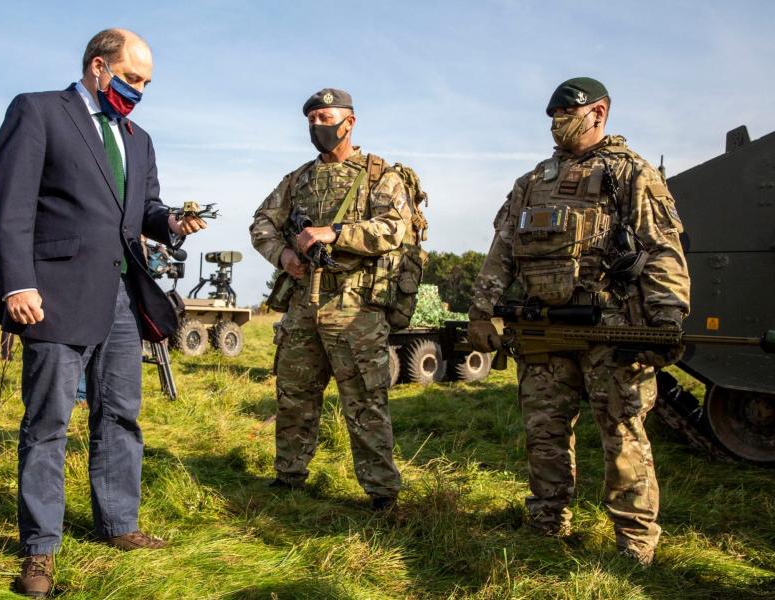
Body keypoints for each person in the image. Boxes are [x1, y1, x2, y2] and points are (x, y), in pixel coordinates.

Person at [0, 28, 205, 597]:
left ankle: (118, 524)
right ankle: (39, 552)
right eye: (133, 79)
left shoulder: (138, 139)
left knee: (120, 415)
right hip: (53, 293)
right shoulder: (38, 112)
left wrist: (172, 223)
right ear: (98, 67)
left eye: (147, 84)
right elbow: (10, 206)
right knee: (48, 424)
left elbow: (146, 208)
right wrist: (18, 283)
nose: (140, 91)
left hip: (121, 297)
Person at [467, 77, 691, 566]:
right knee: (544, 430)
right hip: (544, 330)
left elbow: (661, 248)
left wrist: (667, 318)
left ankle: (634, 542)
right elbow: (502, 250)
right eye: (552, 116)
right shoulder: (532, 182)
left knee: (623, 434)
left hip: (613, 328)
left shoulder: (632, 173)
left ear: (599, 112)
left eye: (567, 112)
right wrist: (480, 310)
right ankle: (546, 522)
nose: (558, 122)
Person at [250, 88, 413, 511]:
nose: (317, 125)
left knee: (364, 402)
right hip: (304, 303)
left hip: (356, 308)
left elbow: (395, 228)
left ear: (349, 122)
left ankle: (382, 493)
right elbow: (261, 224)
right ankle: (289, 477)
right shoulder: (297, 180)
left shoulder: (380, 175)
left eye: (325, 117)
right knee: (294, 396)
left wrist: (336, 234)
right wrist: (284, 255)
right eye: (311, 119)